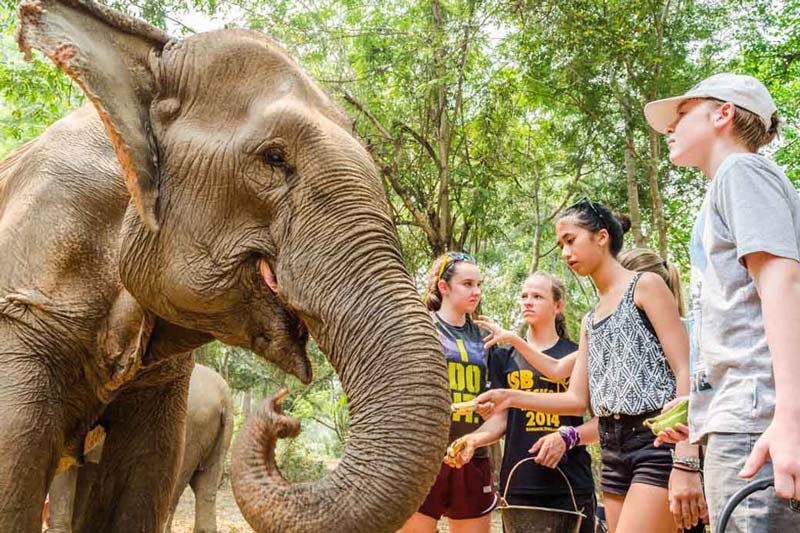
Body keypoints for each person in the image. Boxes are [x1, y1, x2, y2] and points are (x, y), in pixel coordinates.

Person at [475, 200, 695, 533]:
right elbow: (576, 400)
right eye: (561, 244)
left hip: (654, 443)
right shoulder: (591, 319)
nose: (565, 252)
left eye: (570, 239)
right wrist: (509, 397)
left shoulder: (646, 286)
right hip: (612, 450)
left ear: (602, 237)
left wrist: (686, 458)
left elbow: (686, 372)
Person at [645, 73, 800, 529]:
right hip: (740, 415)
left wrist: (788, 418)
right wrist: (697, 413)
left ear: (723, 114)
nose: (670, 127)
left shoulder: (742, 170)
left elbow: (782, 283)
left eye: (682, 114)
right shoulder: (729, 186)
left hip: (758, 418)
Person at [445, 272, 596, 533]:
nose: (528, 302)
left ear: (557, 307)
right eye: (524, 296)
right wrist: (473, 440)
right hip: (519, 483)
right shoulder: (504, 356)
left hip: (571, 484)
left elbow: (599, 422)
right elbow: (500, 419)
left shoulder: (576, 355)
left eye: (537, 296)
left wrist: (568, 438)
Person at [398, 251, 497, 533]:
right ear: (443, 286)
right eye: (467, 284)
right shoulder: (419, 328)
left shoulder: (487, 337)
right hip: (422, 458)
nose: (476, 291)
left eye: (479, 284)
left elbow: (498, 402)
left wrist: (489, 410)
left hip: (472, 455)